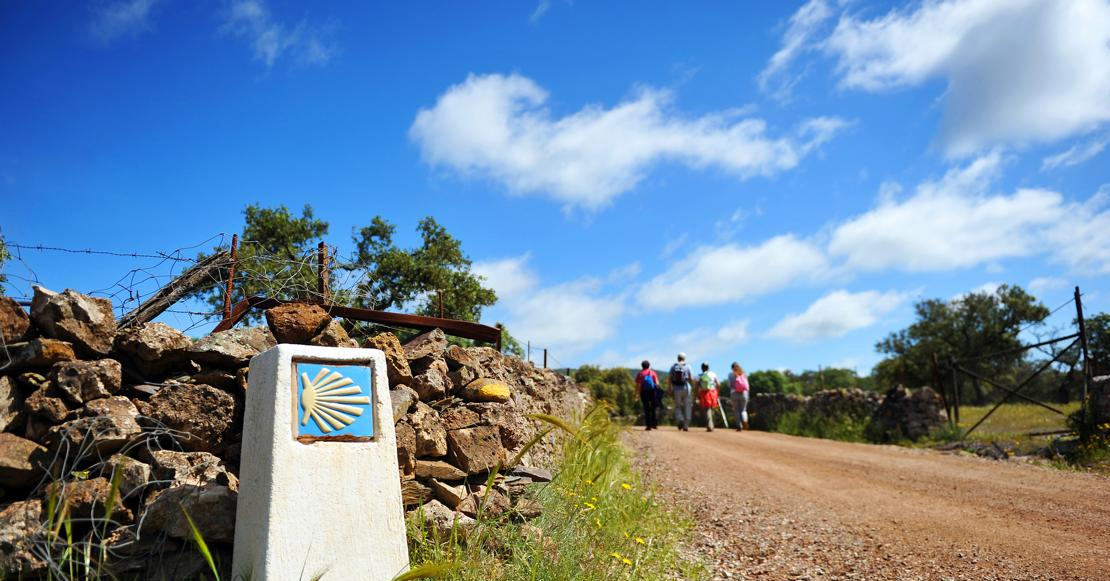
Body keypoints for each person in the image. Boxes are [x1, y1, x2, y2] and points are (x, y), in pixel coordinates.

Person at [669, 353, 693, 431]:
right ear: (684, 358)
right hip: (686, 387)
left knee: (678, 406)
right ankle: (686, 425)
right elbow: (690, 378)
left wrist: (670, 388)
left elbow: (670, 378)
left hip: (677, 388)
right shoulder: (688, 366)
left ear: (678, 358)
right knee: (687, 406)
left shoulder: (673, 367)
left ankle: (680, 418)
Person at [634, 360, 661, 430]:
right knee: (653, 408)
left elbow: (638, 385)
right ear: (649, 366)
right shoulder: (652, 372)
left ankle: (648, 426)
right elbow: (657, 383)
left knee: (646, 408)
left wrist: (637, 394)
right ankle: (654, 424)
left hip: (644, 392)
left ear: (642, 366)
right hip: (653, 392)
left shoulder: (640, 374)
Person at [697, 362, 720, 432]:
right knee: (711, 408)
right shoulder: (713, 374)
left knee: (707, 409)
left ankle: (710, 425)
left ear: (701, 368)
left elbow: (697, 386)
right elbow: (718, 384)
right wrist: (717, 392)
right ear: (708, 367)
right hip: (713, 392)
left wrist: (696, 395)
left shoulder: (700, 376)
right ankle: (712, 424)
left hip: (704, 393)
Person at [728, 362, 750, 431]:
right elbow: (747, 385)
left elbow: (729, 385)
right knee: (743, 410)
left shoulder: (730, 375)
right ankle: (745, 420)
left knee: (736, 410)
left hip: (734, 393)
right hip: (744, 394)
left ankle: (739, 425)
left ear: (732, 368)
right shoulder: (744, 374)